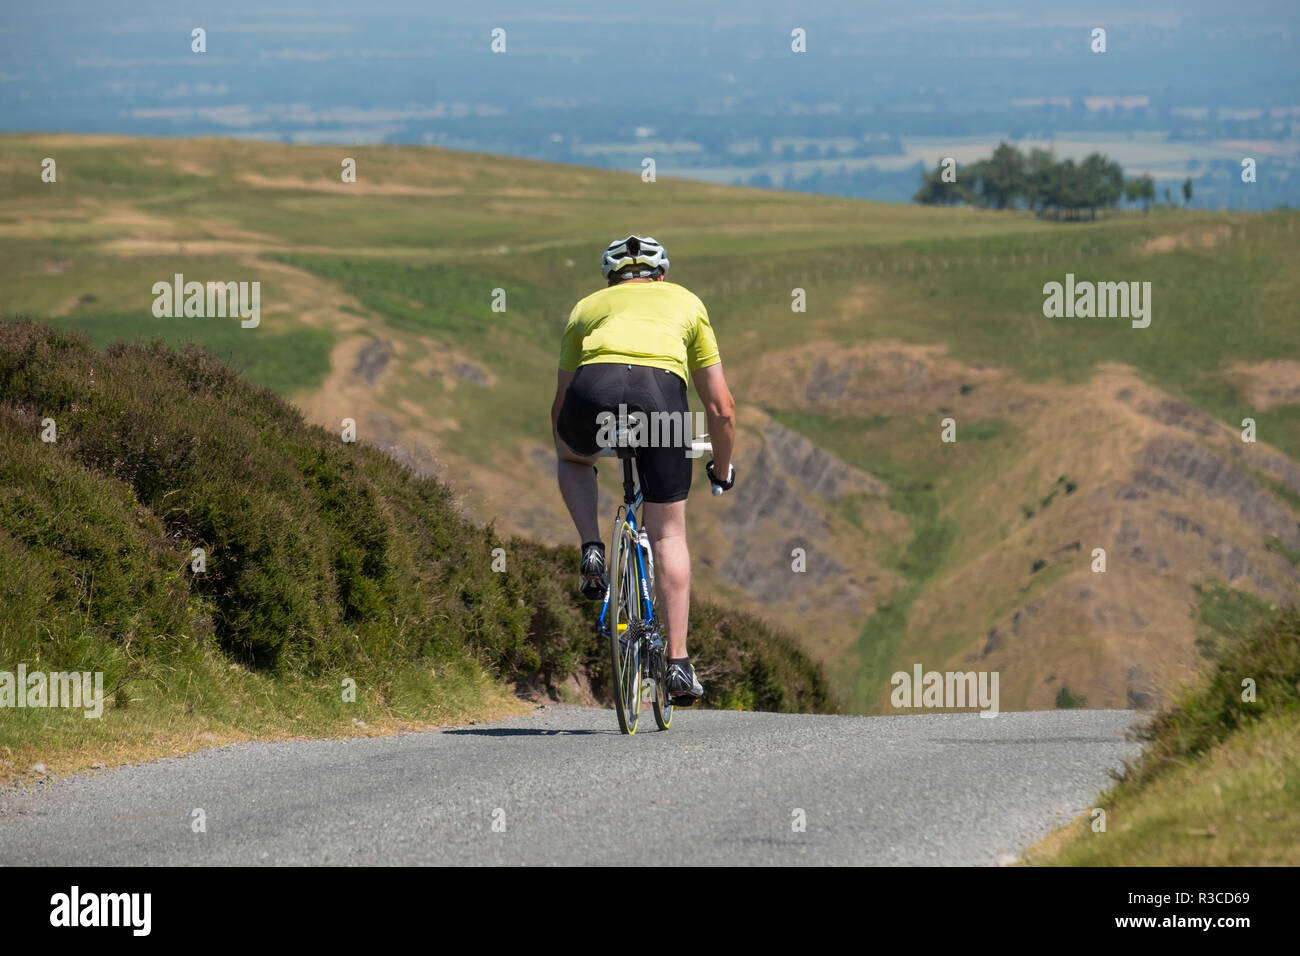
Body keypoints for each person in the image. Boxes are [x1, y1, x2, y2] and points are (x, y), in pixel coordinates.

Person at [551, 235, 736, 701]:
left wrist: (575, 445)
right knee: (669, 533)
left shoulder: (586, 307)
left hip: (593, 391)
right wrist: (722, 467)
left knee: (572, 459)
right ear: (661, 274)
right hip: (659, 398)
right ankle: (677, 663)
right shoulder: (687, 303)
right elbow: (722, 408)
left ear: (612, 277)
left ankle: (592, 546)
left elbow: (560, 403)